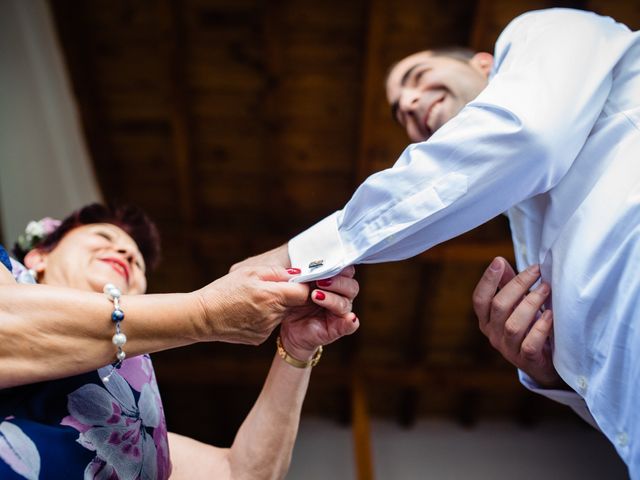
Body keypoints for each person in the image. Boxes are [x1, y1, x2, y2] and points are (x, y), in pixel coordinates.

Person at [233, 8, 640, 476]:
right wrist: (551, 371)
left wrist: (294, 257)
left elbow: (528, 137)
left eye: (417, 76)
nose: (407, 103)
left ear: (484, 64)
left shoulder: (542, 30)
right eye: (398, 110)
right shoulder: (528, 227)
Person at [0, 203, 360, 479]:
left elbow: (242, 473)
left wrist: (296, 350)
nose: (127, 254)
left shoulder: (127, 424)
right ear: (39, 254)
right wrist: (204, 313)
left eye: (138, 263)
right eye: (105, 238)